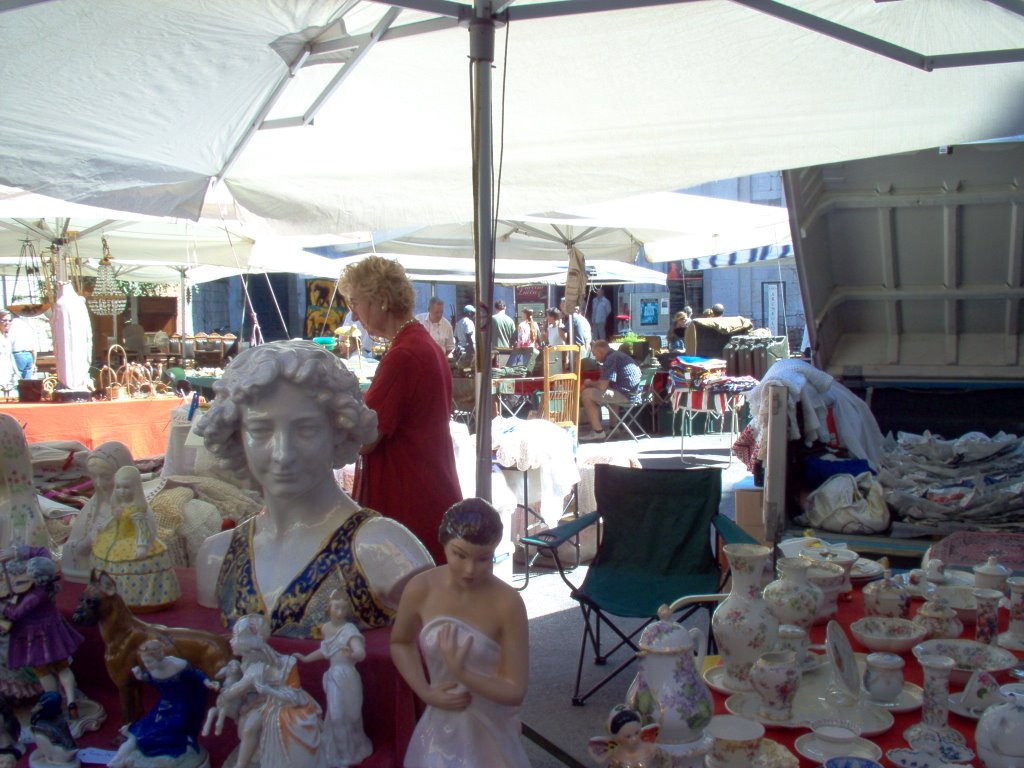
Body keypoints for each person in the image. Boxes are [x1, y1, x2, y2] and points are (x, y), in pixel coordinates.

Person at [194, 340, 434, 638]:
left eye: (306, 429)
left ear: (339, 431)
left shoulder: (386, 553)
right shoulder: (218, 557)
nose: (283, 453)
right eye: (260, 430)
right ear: (236, 436)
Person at [339, 256, 461, 565]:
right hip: (428, 485)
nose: (353, 315)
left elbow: (366, 438)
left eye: (356, 303)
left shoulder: (404, 355)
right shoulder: (422, 344)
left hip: (409, 496)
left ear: (380, 300)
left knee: (406, 600)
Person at [391, 499, 530, 768]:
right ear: (444, 544)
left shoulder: (507, 603)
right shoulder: (421, 588)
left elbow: (515, 690)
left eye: (483, 559)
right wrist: (424, 690)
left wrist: (464, 673)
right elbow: (400, 641)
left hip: (488, 728)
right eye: (460, 555)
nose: (470, 570)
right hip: (439, 724)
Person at [217, 614, 325, 768]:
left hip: (286, 704)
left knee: (250, 728)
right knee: (248, 727)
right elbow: (243, 690)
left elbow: (293, 693)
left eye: (235, 637)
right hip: (267, 702)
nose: (231, 641)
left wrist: (228, 695)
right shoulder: (248, 665)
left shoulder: (279, 664)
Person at [295, 590, 373, 767]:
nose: (340, 612)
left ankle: (357, 746)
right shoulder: (326, 628)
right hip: (333, 677)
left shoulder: (350, 630)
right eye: (337, 608)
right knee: (336, 716)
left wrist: (355, 653)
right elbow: (326, 650)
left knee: (352, 717)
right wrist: (306, 658)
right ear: (329, 608)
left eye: (344, 609)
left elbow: (360, 652)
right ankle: (344, 755)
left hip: (348, 676)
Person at [0, 555, 83, 719]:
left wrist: (4, 606)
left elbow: (16, 613)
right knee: (63, 667)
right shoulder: (48, 588)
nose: (25, 576)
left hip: (37, 637)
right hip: (54, 633)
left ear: (36, 576)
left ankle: (53, 702)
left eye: (29, 572)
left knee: (42, 671)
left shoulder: (35, 596)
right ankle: (71, 700)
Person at [91, 465, 181, 611]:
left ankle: (137, 599)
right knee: (105, 562)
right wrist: (105, 525)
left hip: (132, 541)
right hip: (115, 538)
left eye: (126, 487)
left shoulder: (137, 509)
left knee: (130, 565)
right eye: (118, 487)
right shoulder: (120, 506)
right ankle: (112, 596)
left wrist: (141, 546)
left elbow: (142, 529)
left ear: (135, 488)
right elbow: (115, 519)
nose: (121, 491)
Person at [109, 639, 210, 768]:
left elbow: (196, 675)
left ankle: (174, 749)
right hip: (163, 705)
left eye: (149, 661)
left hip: (179, 709)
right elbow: (153, 681)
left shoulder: (178, 665)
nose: (147, 665)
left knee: (155, 735)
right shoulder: (152, 670)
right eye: (144, 661)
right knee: (139, 730)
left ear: (159, 656)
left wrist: (207, 682)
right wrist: (142, 677)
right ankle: (118, 760)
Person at [62, 441, 134, 582]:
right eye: (94, 477)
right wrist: (87, 542)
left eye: (106, 477)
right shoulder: (94, 506)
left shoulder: (136, 506)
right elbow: (77, 545)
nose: (99, 483)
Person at [580, 339, 643, 441]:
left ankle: (598, 431)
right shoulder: (618, 355)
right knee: (611, 390)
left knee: (587, 394)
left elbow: (602, 386)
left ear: (601, 351)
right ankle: (613, 428)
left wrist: (589, 383)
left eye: (595, 355)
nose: (595, 358)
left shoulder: (611, 359)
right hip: (635, 394)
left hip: (627, 395)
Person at [587, 706, 668, 768]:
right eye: (628, 736)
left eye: (637, 733)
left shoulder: (649, 747)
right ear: (616, 738)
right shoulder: (616, 753)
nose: (634, 738)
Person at [6, 311, 36, 381]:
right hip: (29, 355)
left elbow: (9, 342)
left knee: (17, 379)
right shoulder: (27, 324)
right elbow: (34, 346)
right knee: (27, 382)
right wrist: (34, 363)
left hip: (17, 354)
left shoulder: (12, 324)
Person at [0, 312, 16, 393]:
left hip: (7, 374)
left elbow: (9, 356)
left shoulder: (7, 337)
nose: (8, 323)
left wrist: (16, 372)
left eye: (10, 321)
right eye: (4, 320)